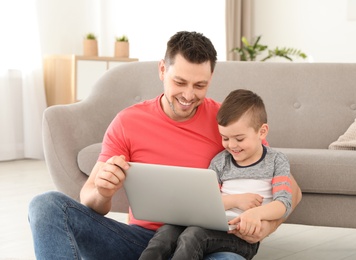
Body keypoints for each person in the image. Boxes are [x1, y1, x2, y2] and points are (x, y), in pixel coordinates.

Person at [28, 31, 302, 260]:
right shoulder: (129, 121)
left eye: (200, 85)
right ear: (162, 70)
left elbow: (293, 191)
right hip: (144, 243)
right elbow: (91, 201)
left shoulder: (227, 123)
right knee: (46, 205)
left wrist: (265, 227)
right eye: (179, 82)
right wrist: (103, 189)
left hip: (209, 243)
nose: (188, 95)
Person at [139, 89, 292, 260]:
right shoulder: (220, 162)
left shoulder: (276, 161)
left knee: (193, 236)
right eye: (225, 138)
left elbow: (284, 204)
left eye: (239, 139)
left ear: (262, 132)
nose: (232, 145)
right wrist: (235, 200)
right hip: (211, 225)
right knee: (166, 233)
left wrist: (256, 214)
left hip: (240, 237)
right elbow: (206, 202)